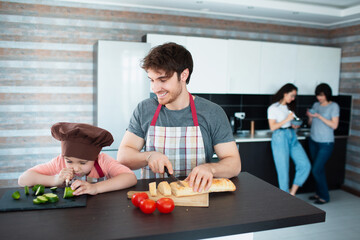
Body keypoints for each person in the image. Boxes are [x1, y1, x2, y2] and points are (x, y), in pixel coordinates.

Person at [117, 42, 241, 193]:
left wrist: (211, 168)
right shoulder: (144, 109)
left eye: (162, 80)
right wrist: (148, 156)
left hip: (197, 195)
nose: (155, 88)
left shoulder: (212, 112)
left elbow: (234, 164)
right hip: (155, 201)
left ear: (183, 75)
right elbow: (123, 156)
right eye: (152, 80)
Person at [18, 122, 137, 195]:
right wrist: (55, 180)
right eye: (69, 161)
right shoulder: (59, 162)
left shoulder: (102, 161)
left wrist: (95, 188)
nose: (75, 167)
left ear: (95, 157)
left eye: (82, 162)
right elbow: (23, 180)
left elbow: (130, 178)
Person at [267, 83, 311, 195]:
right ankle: (286, 199)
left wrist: (294, 124)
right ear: (285, 93)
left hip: (291, 135)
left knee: (305, 165)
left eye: (294, 96)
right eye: (292, 95)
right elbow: (273, 127)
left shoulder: (289, 108)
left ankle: (292, 193)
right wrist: (287, 119)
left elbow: (289, 122)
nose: (293, 98)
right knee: (283, 170)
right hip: (280, 137)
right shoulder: (273, 108)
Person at [306, 83, 339, 204]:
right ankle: (318, 194)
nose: (319, 98)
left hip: (326, 143)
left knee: (316, 169)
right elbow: (310, 124)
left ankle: (325, 196)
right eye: (317, 95)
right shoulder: (316, 105)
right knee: (319, 170)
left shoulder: (334, 106)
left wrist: (319, 116)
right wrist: (310, 117)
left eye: (321, 95)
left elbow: (334, 125)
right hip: (313, 141)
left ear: (327, 94)